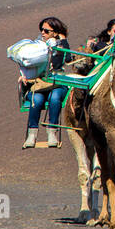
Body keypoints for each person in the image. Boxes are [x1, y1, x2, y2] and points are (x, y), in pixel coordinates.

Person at [20, 17, 70, 149]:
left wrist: (63, 40)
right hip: (39, 83)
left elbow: (68, 58)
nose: (43, 33)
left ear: (55, 32)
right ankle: (32, 135)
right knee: (36, 99)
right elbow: (27, 63)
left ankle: (52, 133)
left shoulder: (60, 45)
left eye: (47, 31)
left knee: (54, 98)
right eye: (42, 29)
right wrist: (23, 76)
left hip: (57, 82)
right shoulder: (37, 46)